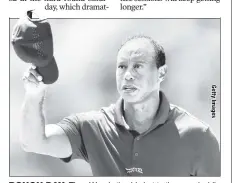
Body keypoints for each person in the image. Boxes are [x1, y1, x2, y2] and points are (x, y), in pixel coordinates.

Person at [20, 35, 220, 176]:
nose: (128, 75)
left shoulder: (198, 136)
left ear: (161, 73)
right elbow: (34, 142)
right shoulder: (91, 127)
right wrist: (34, 95)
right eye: (122, 66)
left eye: (138, 66)